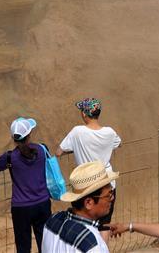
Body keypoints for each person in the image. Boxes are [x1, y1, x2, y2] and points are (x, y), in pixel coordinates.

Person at [0, 118, 51, 253]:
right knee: (45, 244)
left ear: (13, 138)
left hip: (21, 208)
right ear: (29, 134)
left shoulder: (10, 157)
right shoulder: (42, 149)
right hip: (43, 204)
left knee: (23, 247)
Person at [57, 98, 122, 234]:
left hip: (86, 186)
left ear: (84, 114)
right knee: (104, 225)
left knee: (85, 226)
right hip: (107, 183)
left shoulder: (77, 132)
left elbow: (59, 152)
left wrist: (76, 148)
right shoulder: (109, 132)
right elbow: (118, 143)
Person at [42, 161, 118, 253]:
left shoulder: (52, 220)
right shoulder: (93, 246)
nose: (112, 198)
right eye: (109, 194)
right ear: (89, 203)